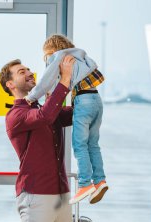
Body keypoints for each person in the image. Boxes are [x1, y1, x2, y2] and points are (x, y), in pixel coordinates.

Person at [0, 56, 75, 222]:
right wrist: (64, 80)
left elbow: (73, 114)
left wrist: (82, 85)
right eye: (21, 72)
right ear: (10, 85)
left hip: (62, 193)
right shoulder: (15, 116)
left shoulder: (43, 108)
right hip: (36, 195)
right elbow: (45, 117)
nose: (29, 73)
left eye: (29, 70)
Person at [26, 34, 108, 205]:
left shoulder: (58, 57)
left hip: (83, 101)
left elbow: (45, 81)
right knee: (93, 144)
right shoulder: (80, 55)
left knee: (79, 145)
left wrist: (31, 97)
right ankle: (100, 181)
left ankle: (85, 185)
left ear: (51, 50)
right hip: (96, 101)